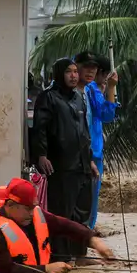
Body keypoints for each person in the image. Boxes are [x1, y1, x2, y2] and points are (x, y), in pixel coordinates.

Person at [31, 58, 93, 262]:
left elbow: (84, 132)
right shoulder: (48, 98)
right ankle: (60, 257)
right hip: (61, 165)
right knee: (62, 213)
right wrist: (41, 155)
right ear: (59, 74)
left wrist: (90, 160)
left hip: (82, 165)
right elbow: (40, 129)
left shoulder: (78, 98)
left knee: (82, 211)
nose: (74, 75)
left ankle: (79, 253)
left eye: (76, 71)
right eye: (69, 72)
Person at [73, 52, 119, 230]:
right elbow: (107, 114)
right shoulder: (90, 89)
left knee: (88, 199)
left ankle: (83, 238)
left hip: (93, 152)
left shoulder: (89, 90)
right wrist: (111, 90)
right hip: (88, 152)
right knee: (87, 201)